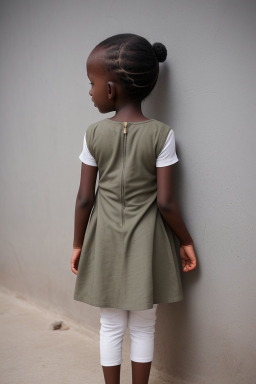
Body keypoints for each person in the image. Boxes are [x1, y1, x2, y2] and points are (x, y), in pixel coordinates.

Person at [71, 33, 197, 384]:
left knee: (110, 325)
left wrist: (79, 244)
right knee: (144, 325)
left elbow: (85, 198)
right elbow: (166, 201)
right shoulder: (162, 134)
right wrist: (185, 241)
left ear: (111, 90)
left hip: (104, 240)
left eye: (92, 83)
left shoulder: (93, 134)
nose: (91, 91)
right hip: (149, 243)